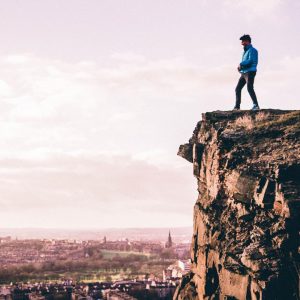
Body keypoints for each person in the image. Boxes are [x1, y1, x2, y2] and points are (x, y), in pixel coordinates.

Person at [234, 34, 260, 110]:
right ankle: (237, 107)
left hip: (250, 72)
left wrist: (241, 64)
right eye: (241, 41)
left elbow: (250, 61)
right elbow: (245, 62)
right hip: (244, 72)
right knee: (238, 89)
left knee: (250, 88)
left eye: (243, 41)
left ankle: (256, 105)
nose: (241, 43)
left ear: (247, 41)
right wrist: (240, 68)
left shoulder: (253, 50)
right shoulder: (245, 52)